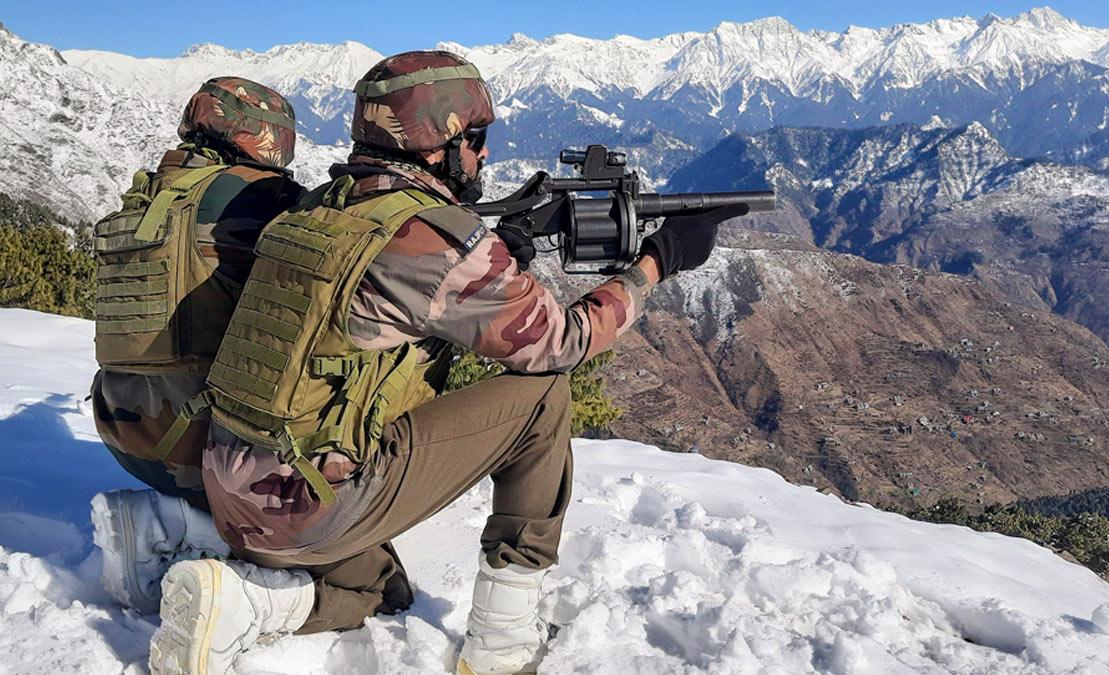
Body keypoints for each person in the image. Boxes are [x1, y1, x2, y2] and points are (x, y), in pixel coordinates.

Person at [148, 51, 747, 675]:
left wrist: (493, 254)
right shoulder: (432, 239)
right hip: (307, 505)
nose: (483, 156)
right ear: (440, 146)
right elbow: (562, 341)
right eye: (477, 140)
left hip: (231, 487)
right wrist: (658, 262)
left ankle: (240, 599)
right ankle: (502, 641)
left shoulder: (318, 207)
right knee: (543, 397)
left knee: (381, 592)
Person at [89, 77, 304, 614]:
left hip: (121, 430)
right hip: (197, 447)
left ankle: (172, 515)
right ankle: (192, 531)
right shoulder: (261, 197)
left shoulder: (150, 193)